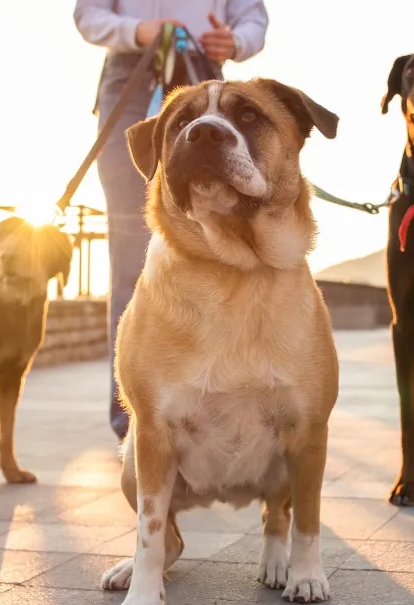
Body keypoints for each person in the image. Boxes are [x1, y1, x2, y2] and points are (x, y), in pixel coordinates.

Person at [73, 0, 270, 440]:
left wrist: (236, 41)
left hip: (205, 77)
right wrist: (137, 31)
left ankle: (215, 409)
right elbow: (88, 14)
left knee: (218, 247)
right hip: (131, 78)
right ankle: (134, 420)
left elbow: (253, 16)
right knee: (130, 254)